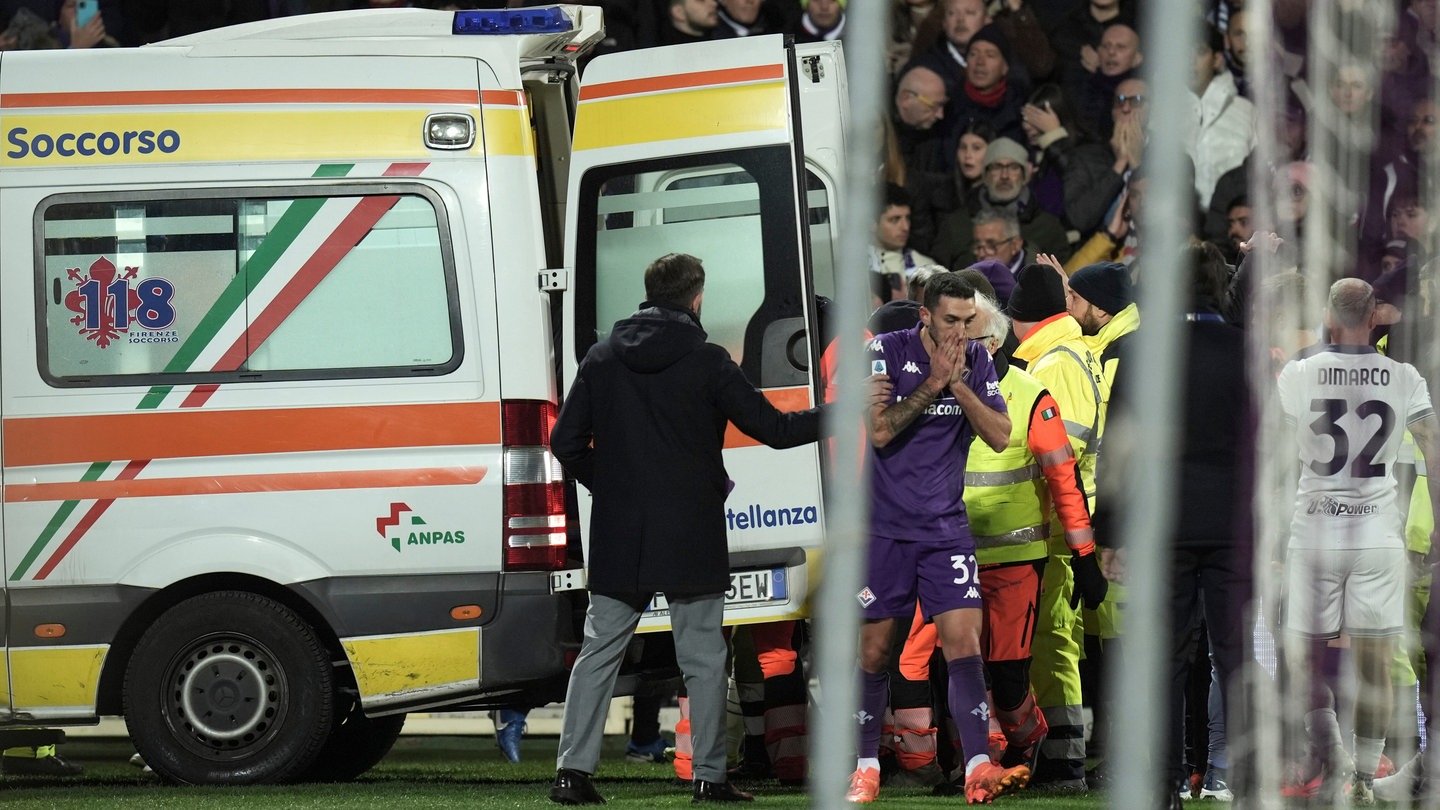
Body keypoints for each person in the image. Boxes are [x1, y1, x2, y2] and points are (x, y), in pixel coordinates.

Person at [548, 252, 824, 806]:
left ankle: (571, 775)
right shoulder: (708, 361)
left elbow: (564, 443)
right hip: (691, 527)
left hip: (622, 530)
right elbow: (773, 428)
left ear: (648, 293)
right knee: (702, 656)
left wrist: (614, 487)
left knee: (599, 651)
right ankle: (709, 778)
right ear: (697, 297)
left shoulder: (602, 358)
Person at [846, 273, 1028, 804]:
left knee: (965, 643)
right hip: (884, 530)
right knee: (876, 651)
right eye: (950, 319)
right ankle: (865, 768)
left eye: (968, 320)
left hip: (947, 528)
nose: (960, 330)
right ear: (924, 315)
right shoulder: (884, 351)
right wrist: (931, 383)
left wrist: (958, 384)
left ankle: (976, 765)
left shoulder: (976, 359)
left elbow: (998, 434)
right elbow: (880, 432)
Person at [1278, 278, 1440, 804]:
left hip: (1314, 530)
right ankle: (1366, 780)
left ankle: (1331, 749)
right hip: (1376, 535)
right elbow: (1432, 452)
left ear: (1328, 314)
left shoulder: (1298, 373)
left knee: (1299, 656)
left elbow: (1276, 458)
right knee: (1375, 664)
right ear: (1374, 317)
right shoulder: (1404, 376)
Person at [961, 291, 1107, 782]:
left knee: (1007, 676)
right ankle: (986, 762)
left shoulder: (1030, 396)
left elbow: (1064, 482)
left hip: (1016, 560)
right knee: (963, 667)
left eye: (969, 334)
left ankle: (1028, 741)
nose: (956, 342)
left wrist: (1084, 556)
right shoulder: (944, 394)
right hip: (952, 554)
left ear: (995, 341)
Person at [1007, 262, 1105, 790]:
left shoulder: (1054, 364)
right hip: (1068, 523)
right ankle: (1060, 755)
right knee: (1054, 640)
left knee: (1052, 641)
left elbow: (1057, 459)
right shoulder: (1070, 352)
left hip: (1058, 526)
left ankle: (1063, 762)